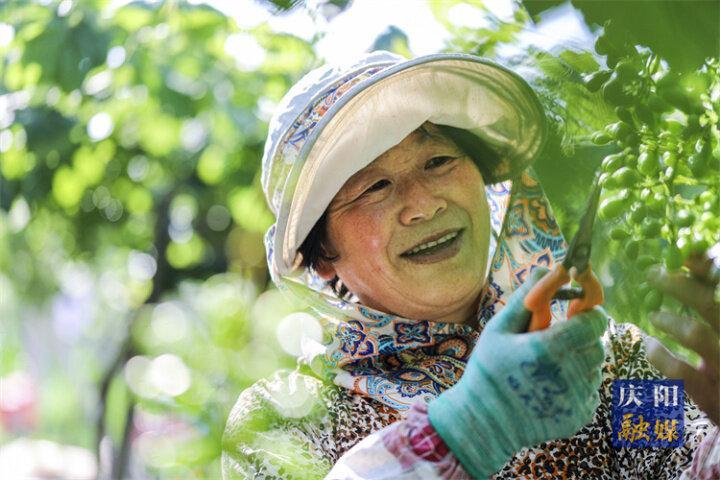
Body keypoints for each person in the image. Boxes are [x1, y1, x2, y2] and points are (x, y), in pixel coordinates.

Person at [221, 51, 719, 479]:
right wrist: (471, 425)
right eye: (373, 187)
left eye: (438, 161)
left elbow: (681, 461)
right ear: (323, 256)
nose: (424, 203)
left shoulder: (606, 362)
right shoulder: (289, 418)